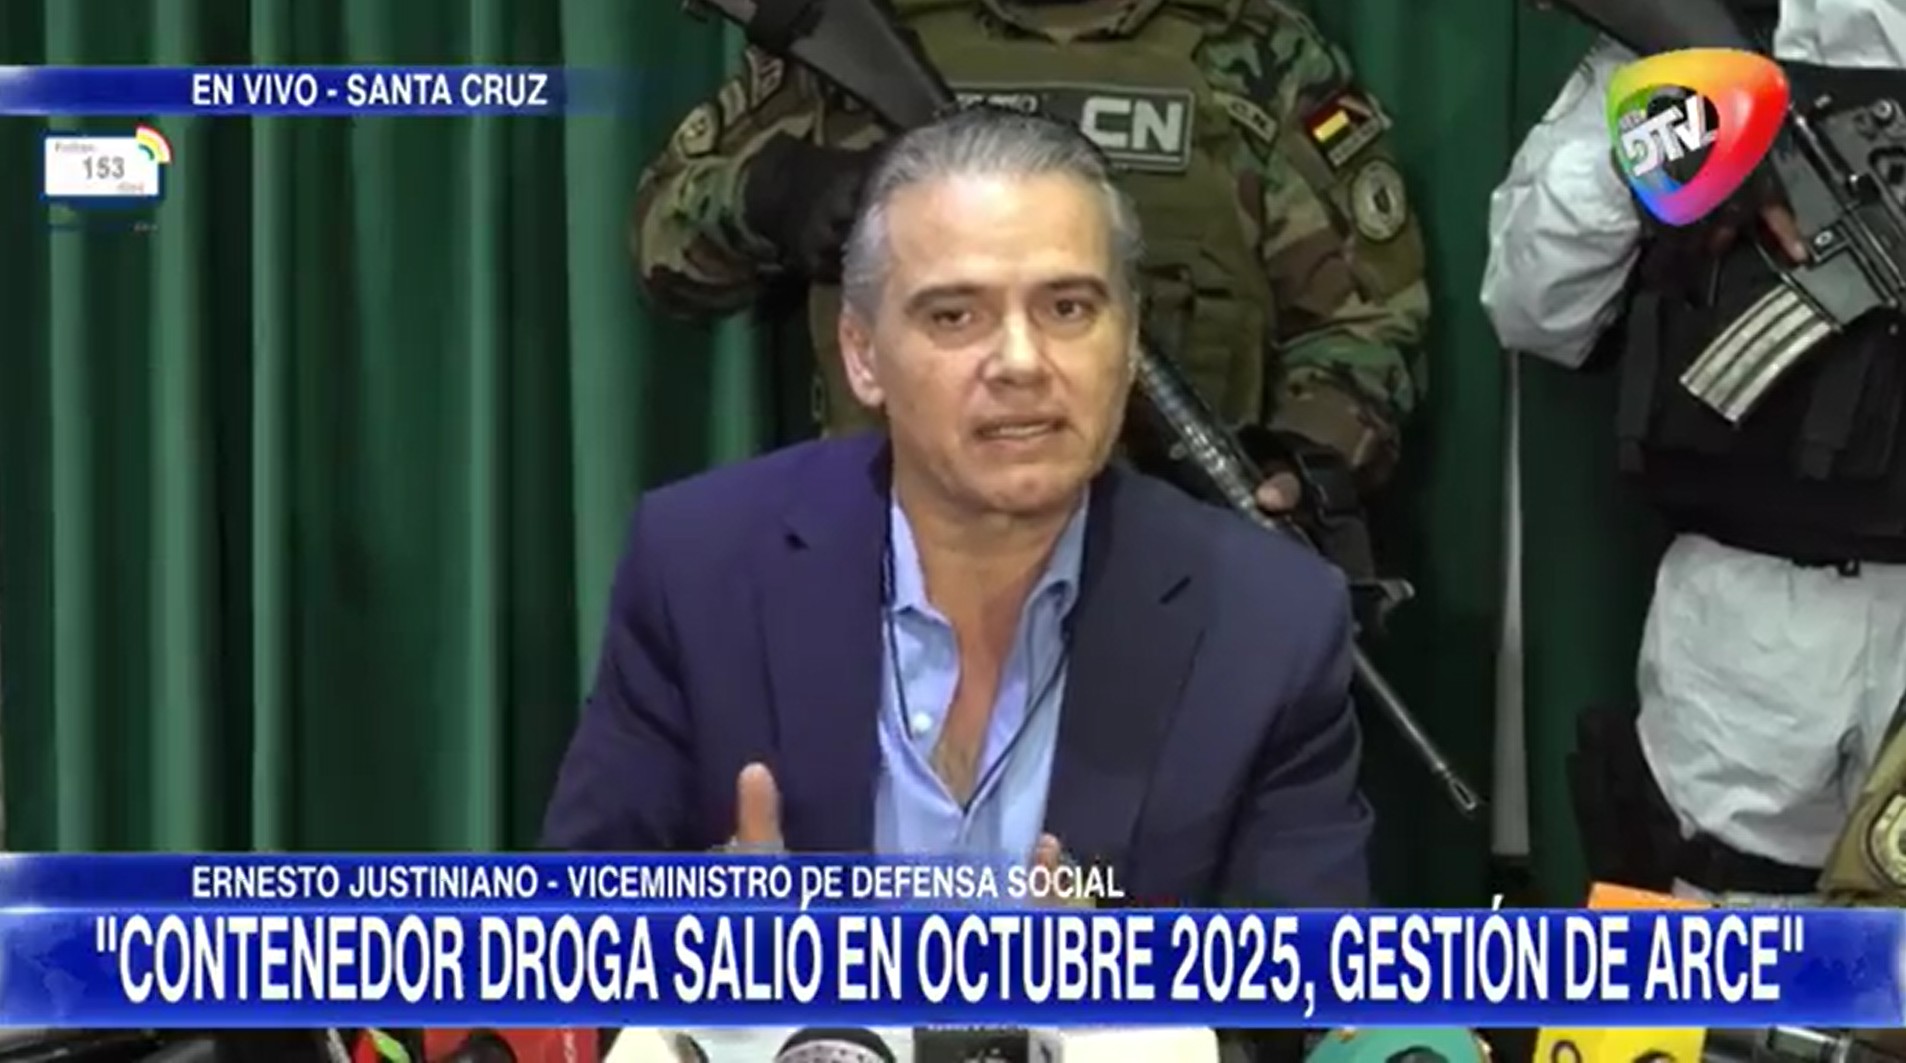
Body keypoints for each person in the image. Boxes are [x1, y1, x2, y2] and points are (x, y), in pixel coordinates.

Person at [546, 108, 1373, 908]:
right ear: (863, 355)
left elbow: (1307, 983)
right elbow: (565, 944)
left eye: (1068, 309)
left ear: (1128, 344)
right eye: (955, 315)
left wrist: (1118, 991)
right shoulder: (701, 569)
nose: (1021, 361)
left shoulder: (1269, 622)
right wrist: (710, 951)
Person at [628, 0, 1428, 537]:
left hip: (1170, 576)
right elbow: (664, 248)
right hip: (887, 577)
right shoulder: (858, 32)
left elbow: (1366, 321)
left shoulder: (1255, 52)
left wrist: (1298, 463)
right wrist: (772, 195)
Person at [1481, 0, 1906, 905]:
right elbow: (1532, 304)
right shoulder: (1710, 25)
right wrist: (1691, 125)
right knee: (1714, 938)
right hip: (1748, 625)